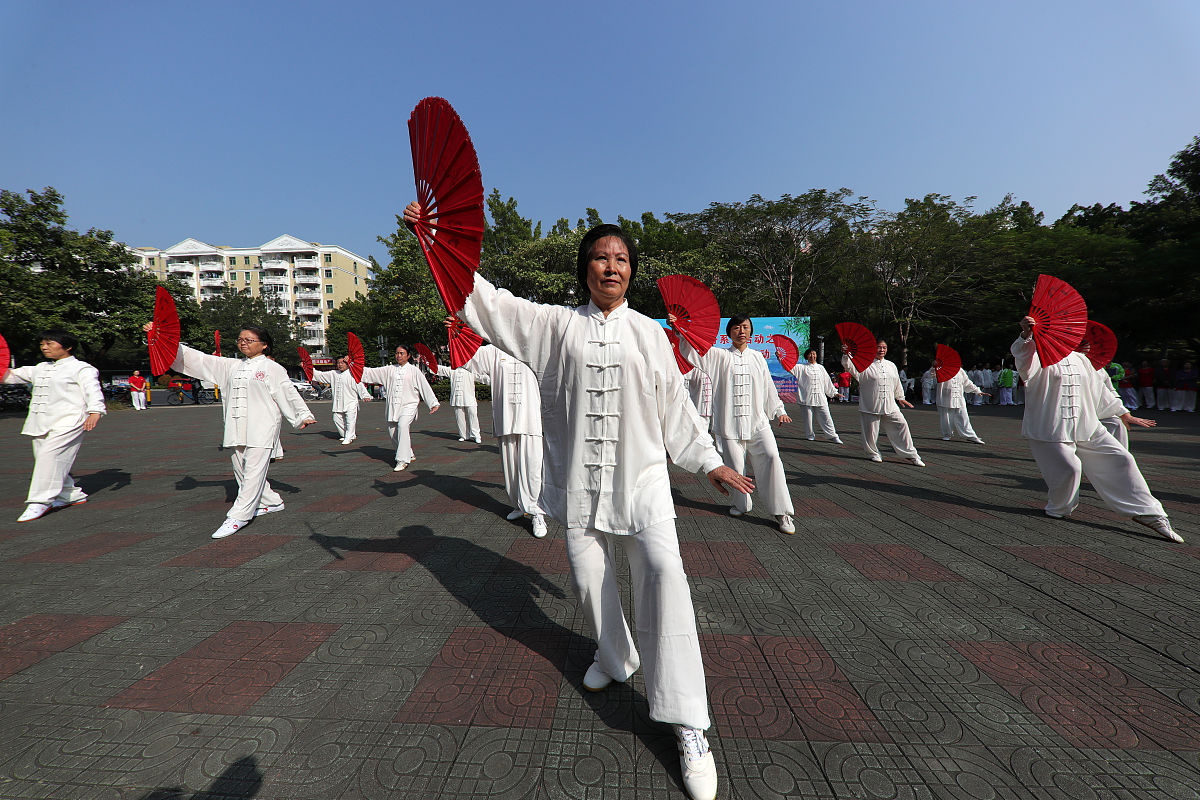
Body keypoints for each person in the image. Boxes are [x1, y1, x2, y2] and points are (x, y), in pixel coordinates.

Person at [411, 202, 753, 800]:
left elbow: (677, 411)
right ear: (584, 268)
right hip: (579, 486)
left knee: (665, 577)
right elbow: (487, 303)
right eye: (600, 256)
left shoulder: (649, 333)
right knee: (591, 585)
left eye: (621, 258)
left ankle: (688, 721)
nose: (611, 266)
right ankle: (616, 657)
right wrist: (434, 239)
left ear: (632, 271)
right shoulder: (555, 325)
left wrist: (709, 461)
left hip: (644, 484)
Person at [1011, 317, 1180, 542]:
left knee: (1122, 458)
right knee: (1070, 469)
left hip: (1087, 424)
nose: (1083, 342)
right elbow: (1023, 360)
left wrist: (1123, 413)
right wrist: (1027, 334)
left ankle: (1149, 513)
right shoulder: (1040, 356)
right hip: (1050, 426)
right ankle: (1059, 508)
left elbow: (1101, 390)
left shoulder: (1082, 360)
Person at [142, 322, 315, 538]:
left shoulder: (273, 368)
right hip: (237, 425)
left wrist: (302, 415)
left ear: (264, 346)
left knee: (253, 470)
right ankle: (271, 501)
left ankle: (239, 516)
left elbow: (287, 392)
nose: (243, 343)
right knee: (240, 467)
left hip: (263, 426)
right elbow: (198, 359)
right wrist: (160, 338)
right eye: (241, 339)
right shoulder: (230, 366)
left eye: (249, 340)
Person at [673, 314, 796, 534]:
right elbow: (693, 352)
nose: (741, 330)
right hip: (729, 424)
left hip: (758, 423)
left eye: (746, 327)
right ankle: (741, 504)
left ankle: (782, 512)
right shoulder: (719, 356)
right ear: (729, 332)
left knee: (772, 458)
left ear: (751, 332)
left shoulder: (758, 357)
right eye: (737, 327)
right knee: (735, 467)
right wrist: (680, 331)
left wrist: (779, 411)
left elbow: (768, 386)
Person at [452, 332, 549, 539]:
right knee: (510, 467)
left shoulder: (537, 348)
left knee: (532, 466)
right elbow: (466, 358)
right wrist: (455, 333)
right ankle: (518, 505)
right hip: (505, 418)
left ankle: (537, 512)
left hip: (530, 418)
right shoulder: (494, 351)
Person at [4, 331, 106, 522]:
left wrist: (95, 411)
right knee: (47, 459)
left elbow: (93, 390)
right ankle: (70, 494)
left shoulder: (82, 368)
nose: (44, 347)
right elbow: (9, 376)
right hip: (40, 421)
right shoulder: (39, 368)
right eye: (42, 344)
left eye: (50, 343)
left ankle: (40, 501)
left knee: (49, 457)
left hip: (70, 420)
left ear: (67, 347)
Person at [843, 339, 924, 466]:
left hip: (890, 404)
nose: (881, 350)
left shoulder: (891, 365)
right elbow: (849, 366)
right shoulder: (864, 364)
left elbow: (896, 382)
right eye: (879, 347)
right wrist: (846, 354)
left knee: (901, 425)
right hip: (871, 404)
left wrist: (900, 397)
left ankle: (911, 454)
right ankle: (873, 453)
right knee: (870, 432)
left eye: (884, 347)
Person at [360, 345, 440, 471]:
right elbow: (370, 372)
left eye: (402, 353)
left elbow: (424, 386)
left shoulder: (414, 371)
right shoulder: (389, 369)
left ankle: (402, 460)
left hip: (409, 405)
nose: (398, 356)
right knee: (393, 432)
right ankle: (408, 452)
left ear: (408, 355)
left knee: (402, 426)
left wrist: (433, 403)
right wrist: (353, 365)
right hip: (393, 406)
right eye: (397, 353)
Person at [310, 356, 371, 444]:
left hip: (351, 401)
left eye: (342, 362)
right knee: (336, 418)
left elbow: (359, 384)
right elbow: (319, 375)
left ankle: (348, 437)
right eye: (338, 363)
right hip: (338, 402)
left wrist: (365, 395)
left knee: (350, 420)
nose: (340, 364)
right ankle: (348, 434)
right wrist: (308, 368)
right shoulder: (333, 373)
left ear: (347, 364)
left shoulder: (352, 373)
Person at [788, 348, 842, 444]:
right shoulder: (801, 367)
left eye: (814, 354)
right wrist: (780, 358)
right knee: (807, 418)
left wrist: (834, 393)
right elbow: (788, 367)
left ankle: (832, 435)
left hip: (820, 397)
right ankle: (810, 435)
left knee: (826, 416)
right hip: (806, 396)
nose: (812, 356)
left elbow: (827, 382)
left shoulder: (821, 368)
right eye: (810, 354)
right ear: (806, 356)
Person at [434, 360, 482, 444]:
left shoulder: (471, 370)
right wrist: (429, 364)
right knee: (459, 416)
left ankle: (476, 435)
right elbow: (441, 369)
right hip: (457, 398)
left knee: (473, 415)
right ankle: (463, 435)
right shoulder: (453, 370)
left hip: (469, 397)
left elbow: (482, 377)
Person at [936, 366, 986, 443]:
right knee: (946, 417)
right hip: (945, 397)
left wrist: (977, 390)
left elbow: (967, 382)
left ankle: (971, 435)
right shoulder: (940, 369)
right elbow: (932, 374)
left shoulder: (960, 370)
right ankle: (947, 434)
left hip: (959, 397)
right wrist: (934, 367)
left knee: (964, 417)